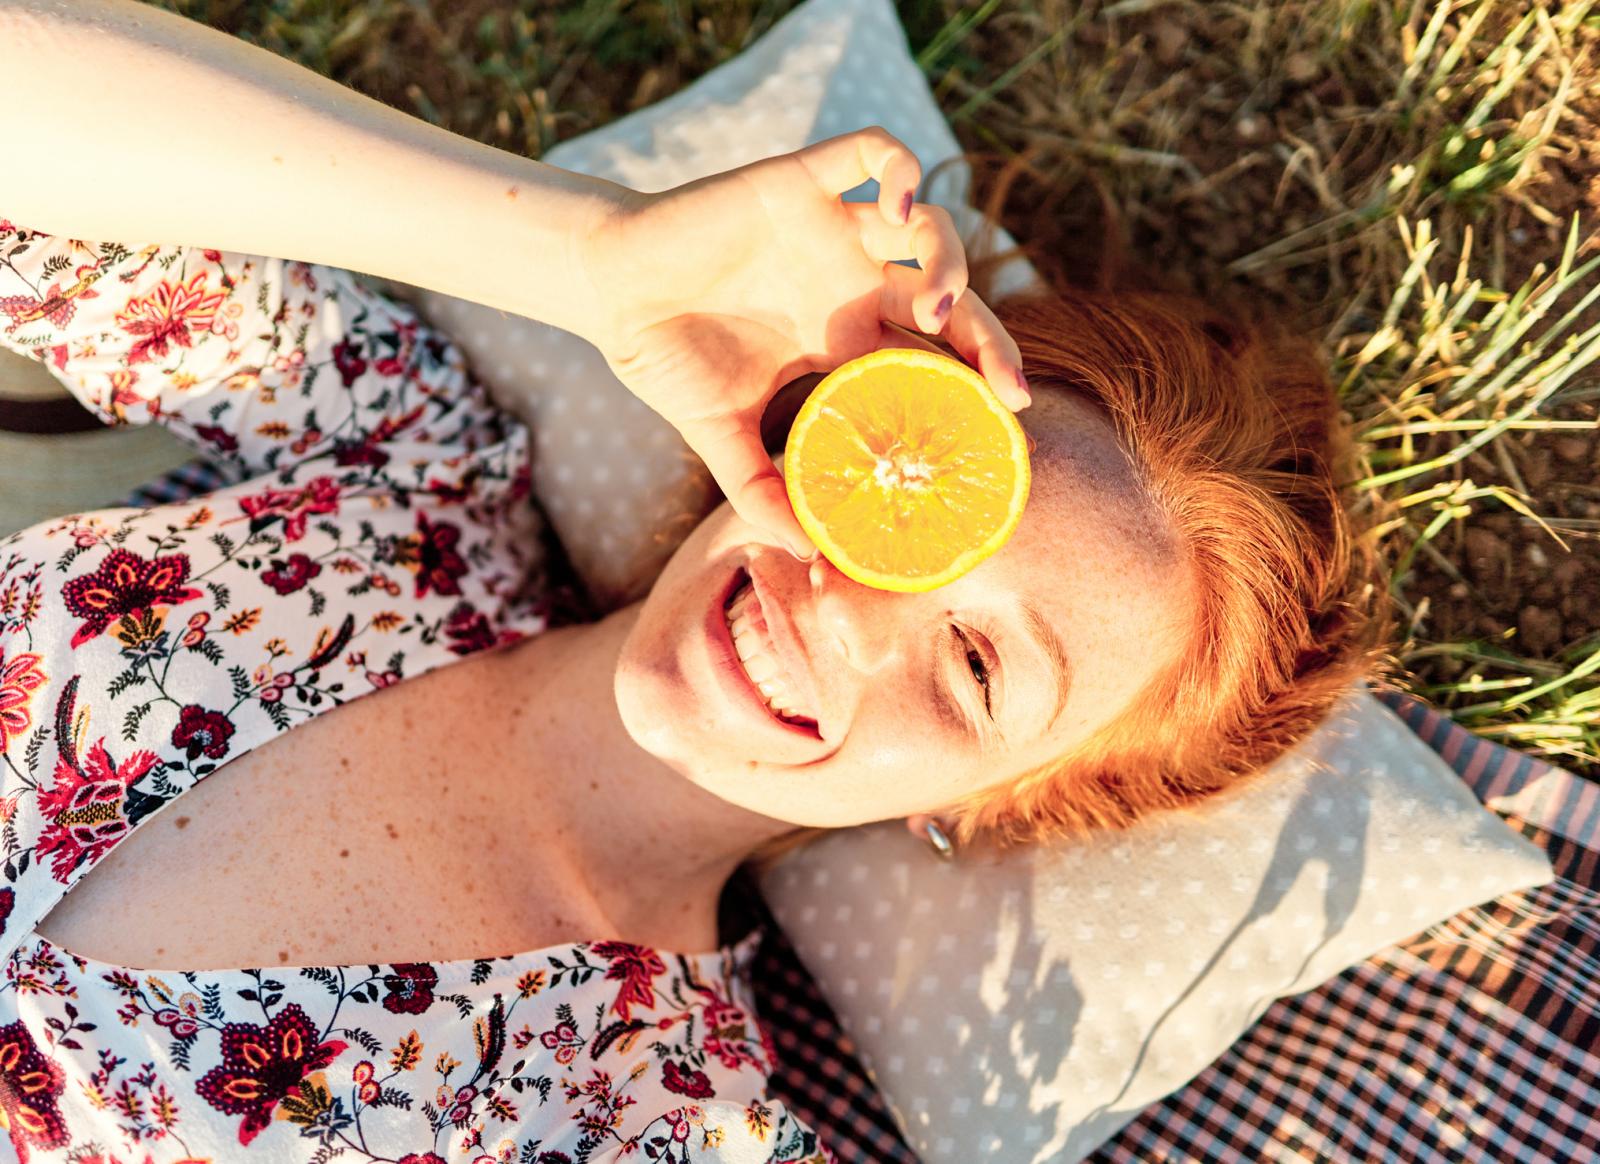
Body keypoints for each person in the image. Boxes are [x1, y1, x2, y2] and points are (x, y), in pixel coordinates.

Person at [0, 2, 1385, 1161]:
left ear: (991, 811)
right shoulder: (409, 475)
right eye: (907, 500)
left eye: (976, 668)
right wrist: (587, 256)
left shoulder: (664, 1120)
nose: (839, 603)